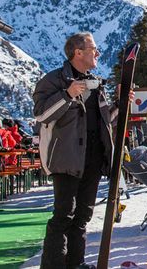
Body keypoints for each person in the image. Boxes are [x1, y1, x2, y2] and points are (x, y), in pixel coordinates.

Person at [33, 32, 117, 269]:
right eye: (93, 48)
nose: (98, 53)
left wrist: (120, 105)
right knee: (63, 217)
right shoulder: (53, 81)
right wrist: (67, 94)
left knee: (82, 218)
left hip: (92, 158)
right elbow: (41, 115)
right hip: (66, 158)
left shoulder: (95, 83)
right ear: (78, 52)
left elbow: (103, 121)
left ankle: (76, 264)